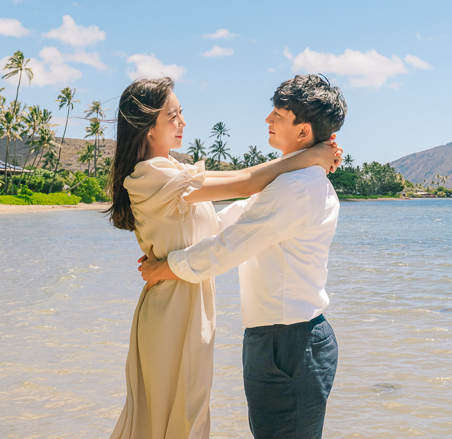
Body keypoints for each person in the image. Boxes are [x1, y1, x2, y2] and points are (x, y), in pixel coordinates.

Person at [107, 77, 343, 439]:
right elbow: (238, 210)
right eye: (173, 115)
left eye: (278, 115)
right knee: (173, 417)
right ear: (147, 127)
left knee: (183, 417)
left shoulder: (296, 186)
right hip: (194, 310)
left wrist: (169, 266)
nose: (267, 118)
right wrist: (309, 156)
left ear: (303, 130)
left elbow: (230, 235)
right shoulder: (160, 174)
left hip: (281, 337)